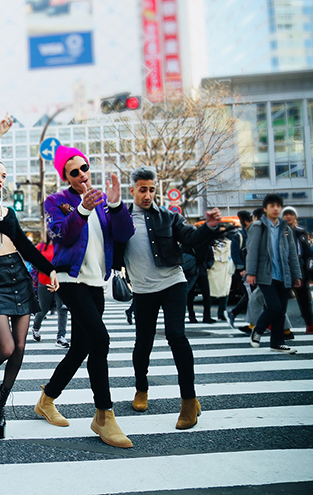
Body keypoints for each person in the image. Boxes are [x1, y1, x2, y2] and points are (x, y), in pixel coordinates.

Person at [0, 114, 59, 439]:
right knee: (4, 347)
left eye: (3, 174)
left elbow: (27, 247)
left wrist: (48, 269)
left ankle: (0, 408)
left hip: (19, 275)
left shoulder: (9, 213)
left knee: (19, 348)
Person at [31, 144, 134, 448]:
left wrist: (116, 206)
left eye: (84, 168)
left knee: (80, 348)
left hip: (95, 282)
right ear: (66, 176)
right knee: (100, 340)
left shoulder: (103, 201)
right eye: (73, 172)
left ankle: (47, 399)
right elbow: (62, 234)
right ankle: (104, 416)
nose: (81, 175)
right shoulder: (55, 201)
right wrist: (82, 209)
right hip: (69, 279)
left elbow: (124, 235)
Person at [120, 167, 222, 430]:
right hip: (142, 289)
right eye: (142, 189)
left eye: (152, 189)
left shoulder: (168, 216)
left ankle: (189, 399)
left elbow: (190, 237)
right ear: (132, 190)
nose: (148, 194)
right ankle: (141, 389)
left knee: (176, 336)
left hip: (173, 282)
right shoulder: (122, 218)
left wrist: (209, 227)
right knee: (143, 342)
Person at [246, 194, 302, 353]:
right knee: (274, 306)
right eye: (272, 206)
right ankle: (258, 329)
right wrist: (251, 272)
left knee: (281, 310)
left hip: (283, 275)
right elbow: (252, 250)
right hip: (265, 274)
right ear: (265, 209)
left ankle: (277, 343)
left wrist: (296, 275)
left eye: (278, 205)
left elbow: (292, 254)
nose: (276, 208)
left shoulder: (286, 229)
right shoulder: (258, 226)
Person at [281, 206, 313, 334]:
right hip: (285, 268)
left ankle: (310, 324)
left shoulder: (301, 232)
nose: (288, 217)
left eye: (291, 214)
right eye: (286, 214)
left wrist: (309, 270)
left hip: (300, 268)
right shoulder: (279, 231)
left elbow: (307, 253)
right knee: (282, 299)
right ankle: (280, 327)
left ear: (295, 216)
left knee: (304, 298)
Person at [31, 235, 69, 348]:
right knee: (43, 309)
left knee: (62, 309)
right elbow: (34, 263)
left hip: (61, 282)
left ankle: (61, 336)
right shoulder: (41, 246)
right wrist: (49, 271)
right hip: (45, 282)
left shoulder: (64, 246)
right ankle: (35, 327)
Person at [226, 210, 253, 326]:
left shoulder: (254, 234)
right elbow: (235, 254)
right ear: (247, 222)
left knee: (254, 296)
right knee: (250, 296)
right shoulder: (239, 236)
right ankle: (233, 313)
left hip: (253, 269)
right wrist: (241, 269)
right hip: (244, 271)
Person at [207, 236, 234, 323]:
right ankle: (207, 313)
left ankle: (221, 313)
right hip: (213, 267)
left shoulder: (230, 243)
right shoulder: (211, 242)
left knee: (225, 291)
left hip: (226, 267)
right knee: (212, 291)